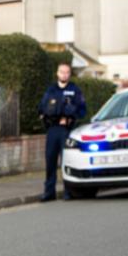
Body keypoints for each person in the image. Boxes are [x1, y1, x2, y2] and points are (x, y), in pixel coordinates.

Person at [38, 63, 86, 201]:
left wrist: (72, 118)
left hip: (67, 130)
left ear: (69, 74)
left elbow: (82, 110)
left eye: (67, 72)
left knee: (67, 161)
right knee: (50, 161)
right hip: (52, 130)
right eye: (62, 72)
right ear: (57, 73)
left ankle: (68, 191)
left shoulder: (74, 90)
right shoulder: (51, 90)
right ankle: (49, 192)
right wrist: (43, 115)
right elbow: (42, 107)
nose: (64, 74)